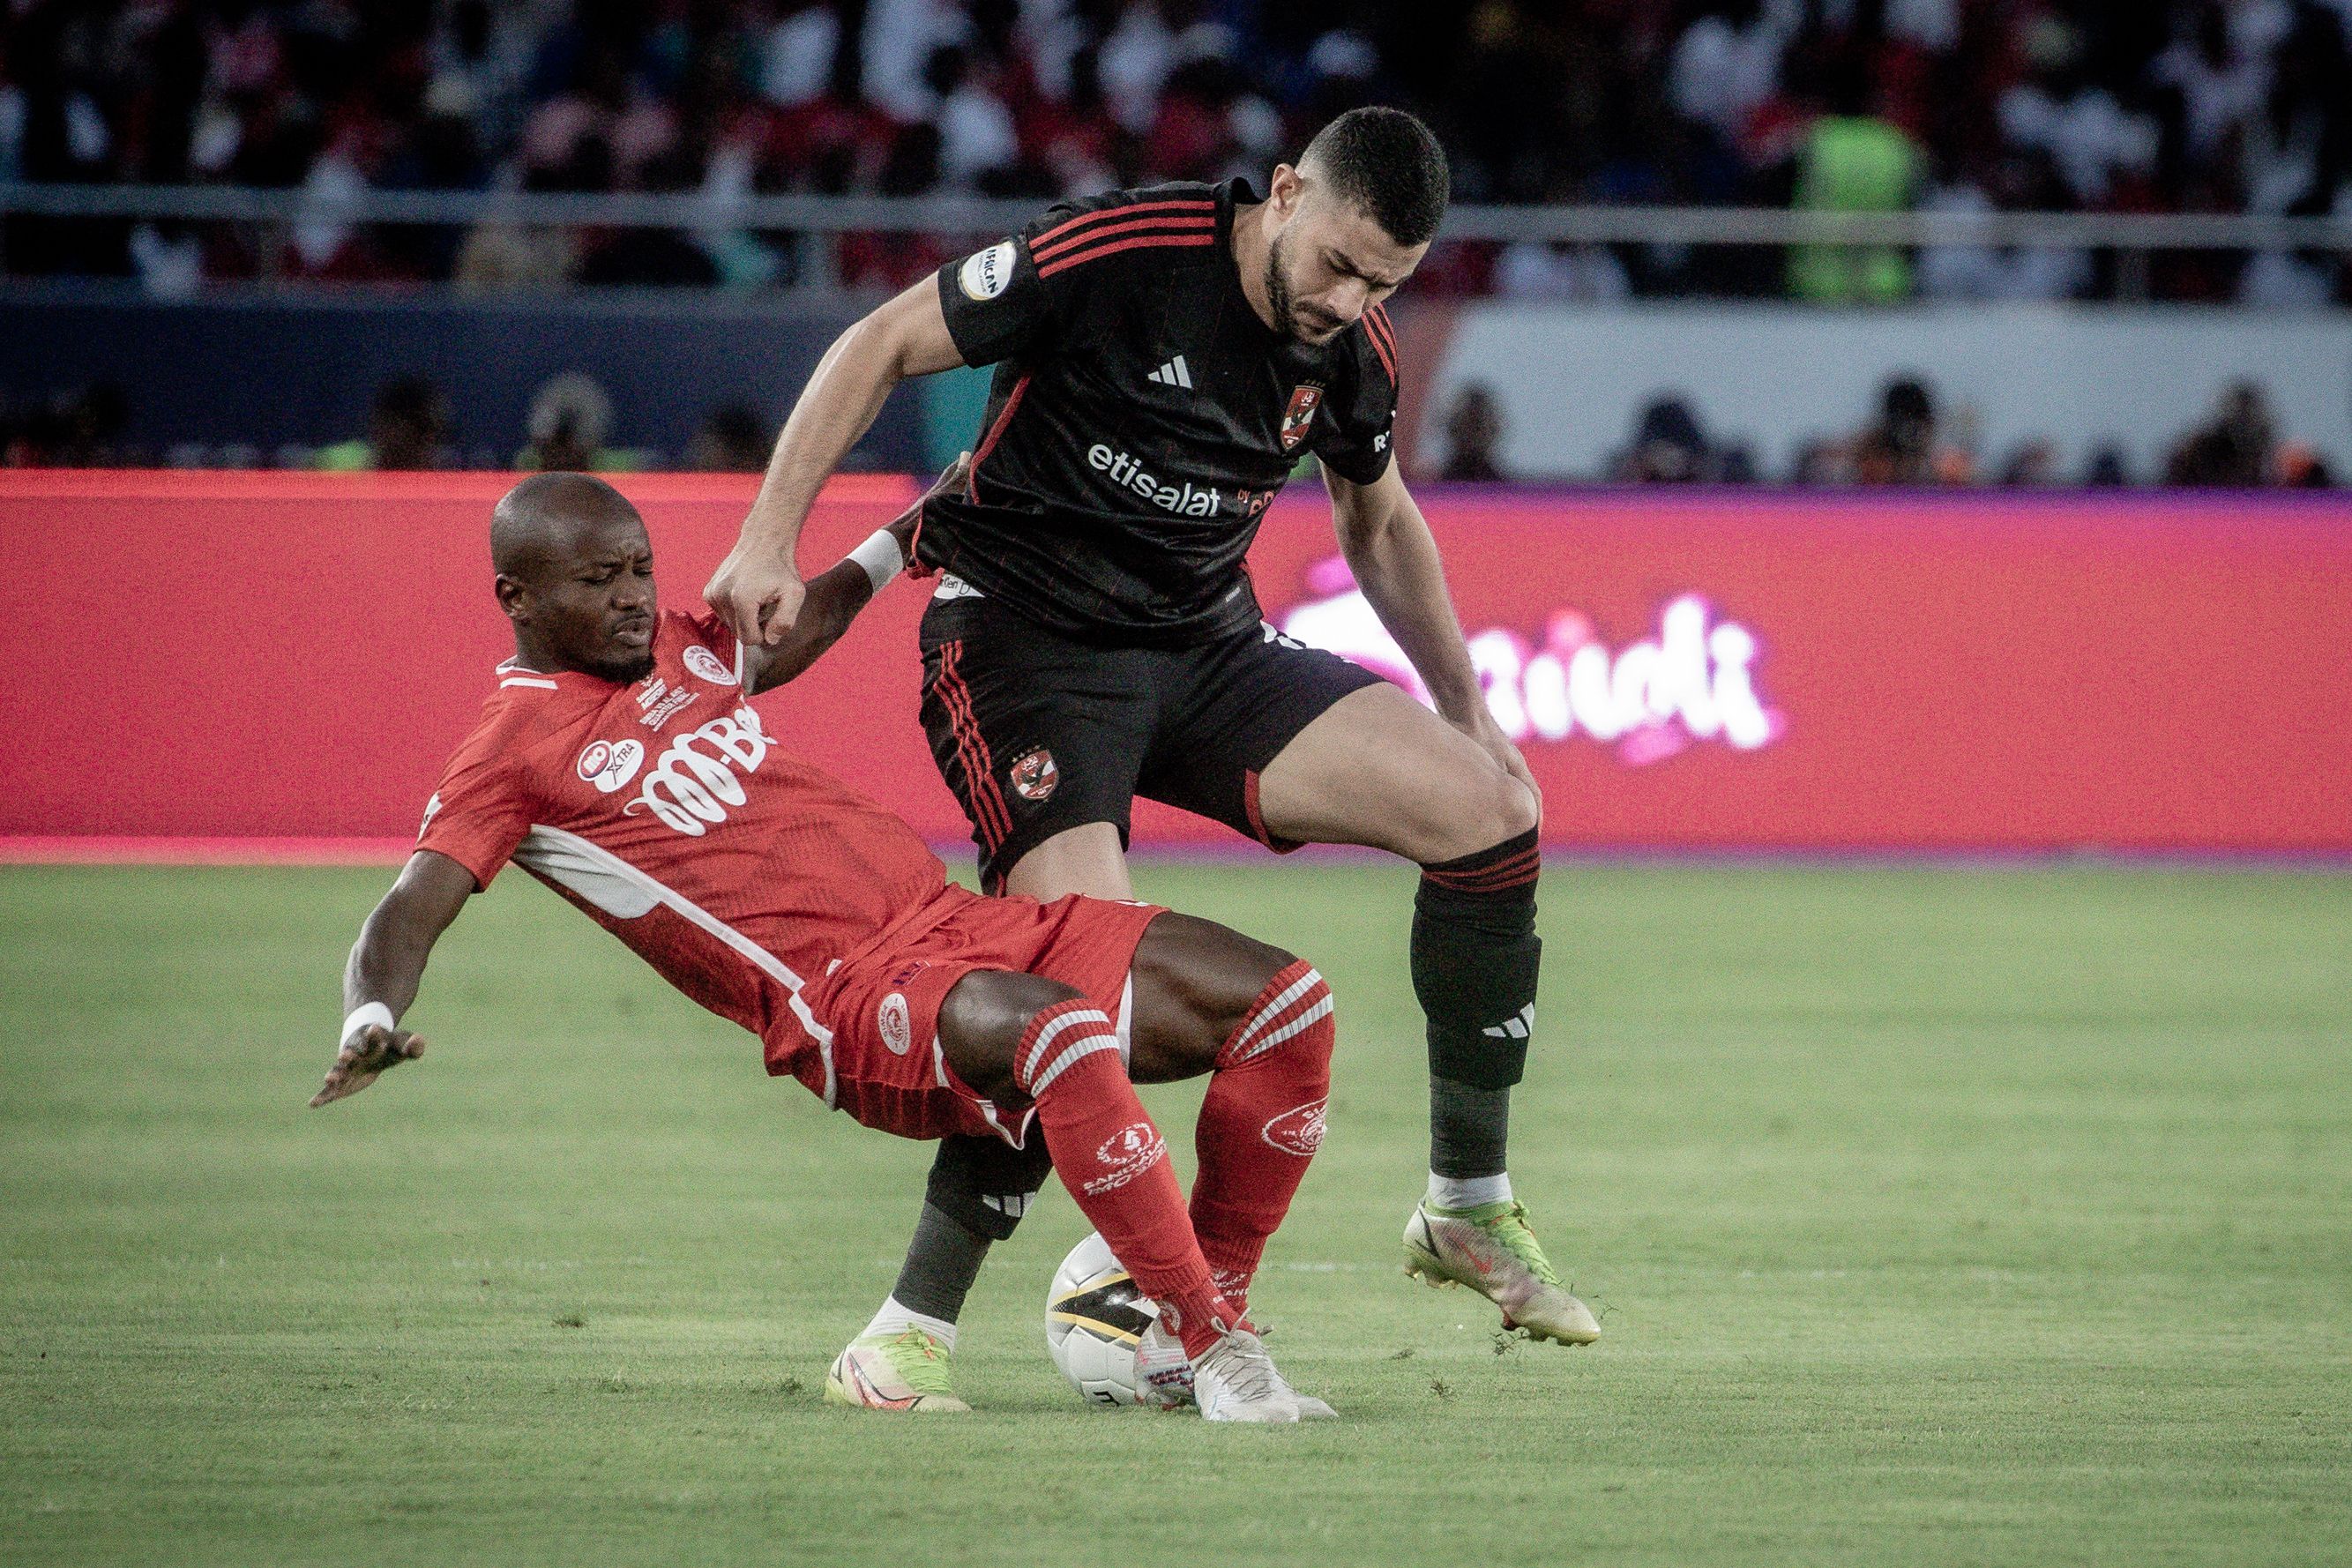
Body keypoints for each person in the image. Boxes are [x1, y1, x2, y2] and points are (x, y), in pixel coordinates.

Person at [704, 106, 1599, 1411]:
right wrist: (767, 539)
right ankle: (909, 1327)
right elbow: (880, 340)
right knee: (1080, 980)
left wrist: (1468, 708)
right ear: (1283, 192)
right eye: (1337, 265)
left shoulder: (1351, 350)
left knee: (1492, 809)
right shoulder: (1120, 252)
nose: (1348, 303)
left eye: (1383, 284)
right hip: (1024, 648)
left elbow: (1377, 518)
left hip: (1202, 646)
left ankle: (1464, 1200)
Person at [310, 472, 1342, 1424]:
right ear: (518, 597)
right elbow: (409, 908)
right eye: (598, 580)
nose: (632, 597)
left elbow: (797, 628)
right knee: (1057, 1032)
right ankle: (1216, 1344)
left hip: (953, 920)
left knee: (1285, 1002)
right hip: (843, 996)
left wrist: (910, 533)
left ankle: (1144, 1329)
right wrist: (371, 1013)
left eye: (640, 569)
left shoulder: (674, 647)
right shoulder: (509, 753)